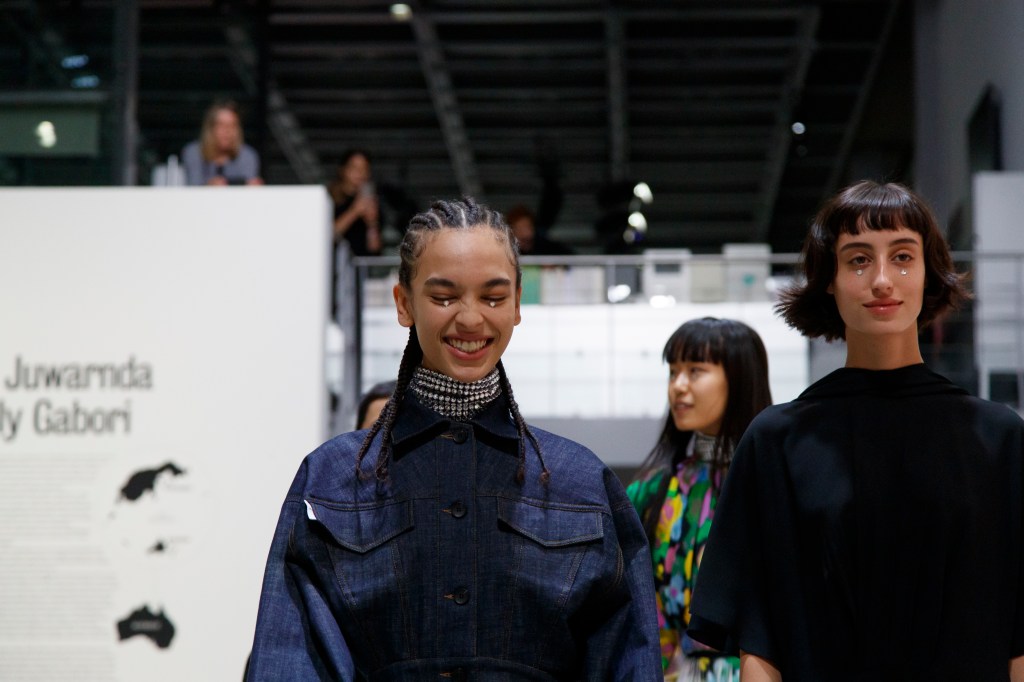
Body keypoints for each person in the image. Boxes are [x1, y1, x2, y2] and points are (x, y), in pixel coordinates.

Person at [246, 197, 661, 680]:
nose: (470, 319)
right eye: (444, 297)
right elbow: (288, 657)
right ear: (404, 303)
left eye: (493, 298)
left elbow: (628, 658)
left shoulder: (580, 482)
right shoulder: (332, 478)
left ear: (517, 304)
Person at [687, 180, 1024, 681]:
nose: (883, 280)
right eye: (859, 260)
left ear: (928, 272)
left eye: (903, 257)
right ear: (830, 278)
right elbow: (760, 639)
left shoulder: (998, 438)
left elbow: (1018, 630)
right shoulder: (777, 440)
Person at [627, 318, 771, 680]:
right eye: (673, 372)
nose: (678, 386)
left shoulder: (775, 485)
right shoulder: (649, 493)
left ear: (739, 378)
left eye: (695, 371)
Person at [181, 100, 262, 186]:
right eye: (221, 125)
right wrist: (208, 187)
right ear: (210, 128)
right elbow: (192, 187)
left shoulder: (248, 155)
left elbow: (249, 183)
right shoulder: (194, 152)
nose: (227, 131)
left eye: (232, 126)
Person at [328, 149, 381, 257]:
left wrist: (372, 223)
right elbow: (327, 235)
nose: (360, 173)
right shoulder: (329, 199)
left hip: (360, 264)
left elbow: (375, 250)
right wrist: (354, 211)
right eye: (354, 167)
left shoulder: (371, 200)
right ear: (343, 170)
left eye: (364, 168)